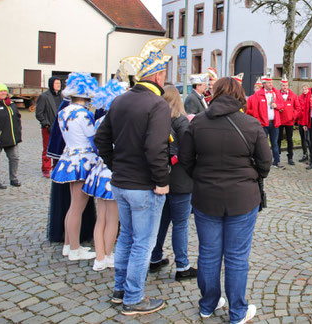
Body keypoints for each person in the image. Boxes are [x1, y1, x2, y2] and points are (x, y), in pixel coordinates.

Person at [178, 77, 271, 323]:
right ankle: (237, 312)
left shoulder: (197, 123)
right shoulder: (251, 124)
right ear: (240, 95)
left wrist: (201, 176)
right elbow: (265, 164)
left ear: (215, 93)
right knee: (236, 256)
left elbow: (185, 160)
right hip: (242, 198)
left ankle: (208, 304)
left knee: (208, 253)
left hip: (207, 196)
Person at [95, 38, 172, 315]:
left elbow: (101, 139)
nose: (165, 78)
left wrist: (116, 166)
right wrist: (162, 181)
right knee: (142, 242)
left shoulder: (120, 100)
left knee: (126, 237)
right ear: (157, 75)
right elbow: (155, 147)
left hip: (121, 182)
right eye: (164, 73)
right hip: (144, 186)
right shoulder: (157, 104)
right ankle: (133, 298)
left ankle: (120, 290)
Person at [149, 85, 197, 281]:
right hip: (180, 180)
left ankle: (155, 257)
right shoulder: (181, 121)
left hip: (161, 178)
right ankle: (182, 265)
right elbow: (187, 152)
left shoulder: (157, 120)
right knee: (180, 224)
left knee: (162, 221)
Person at [50, 73, 99, 261]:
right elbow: (93, 137)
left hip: (69, 157)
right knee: (78, 206)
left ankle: (68, 244)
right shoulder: (84, 113)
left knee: (73, 206)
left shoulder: (63, 112)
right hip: (83, 160)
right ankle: (75, 248)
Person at [83, 79, 126, 271]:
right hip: (112, 173)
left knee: (101, 218)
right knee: (112, 219)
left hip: (98, 172)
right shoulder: (122, 122)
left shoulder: (100, 120)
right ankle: (106, 256)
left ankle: (99, 257)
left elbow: (95, 145)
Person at [246, 73, 285, 168]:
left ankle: (277, 161)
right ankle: (264, 162)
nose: (271, 84)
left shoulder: (276, 93)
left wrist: (277, 106)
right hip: (263, 124)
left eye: (271, 82)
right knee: (263, 144)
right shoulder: (258, 95)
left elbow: (282, 105)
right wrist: (259, 121)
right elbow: (255, 111)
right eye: (268, 82)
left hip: (274, 123)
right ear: (264, 84)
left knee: (274, 143)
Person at [0, 83, 22, 189]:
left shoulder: (11, 104)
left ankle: (14, 179)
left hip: (11, 137)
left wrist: (18, 132)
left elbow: (17, 118)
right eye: (1, 91)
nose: (3, 93)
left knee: (14, 158)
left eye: (4, 91)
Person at [35, 76, 62, 178]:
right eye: (56, 83)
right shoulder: (44, 96)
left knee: (59, 147)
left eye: (59, 84)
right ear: (51, 84)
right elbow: (39, 113)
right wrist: (46, 124)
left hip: (60, 127)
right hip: (49, 126)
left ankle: (56, 166)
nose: (58, 86)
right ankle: (46, 168)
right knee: (47, 148)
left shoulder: (62, 96)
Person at [277, 75, 297, 166]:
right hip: (279, 120)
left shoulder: (293, 95)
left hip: (289, 121)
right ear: (280, 86)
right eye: (283, 85)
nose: (284, 87)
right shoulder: (276, 94)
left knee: (290, 139)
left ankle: (290, 157)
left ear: (288, 86)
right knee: (278, 139)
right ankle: (277, 157)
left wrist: (293, 116)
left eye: (286, 85)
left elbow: (298, 108)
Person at [296, 83, 311, 163]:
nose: (304, 91)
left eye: (306, 89)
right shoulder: (299, 97)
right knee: (302, 139)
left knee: (308, 139)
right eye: (303, 89)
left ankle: (311, 155)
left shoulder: (310, 97)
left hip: (308, 121)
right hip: (301, 121)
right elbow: (298, 108)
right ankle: (305, 154)